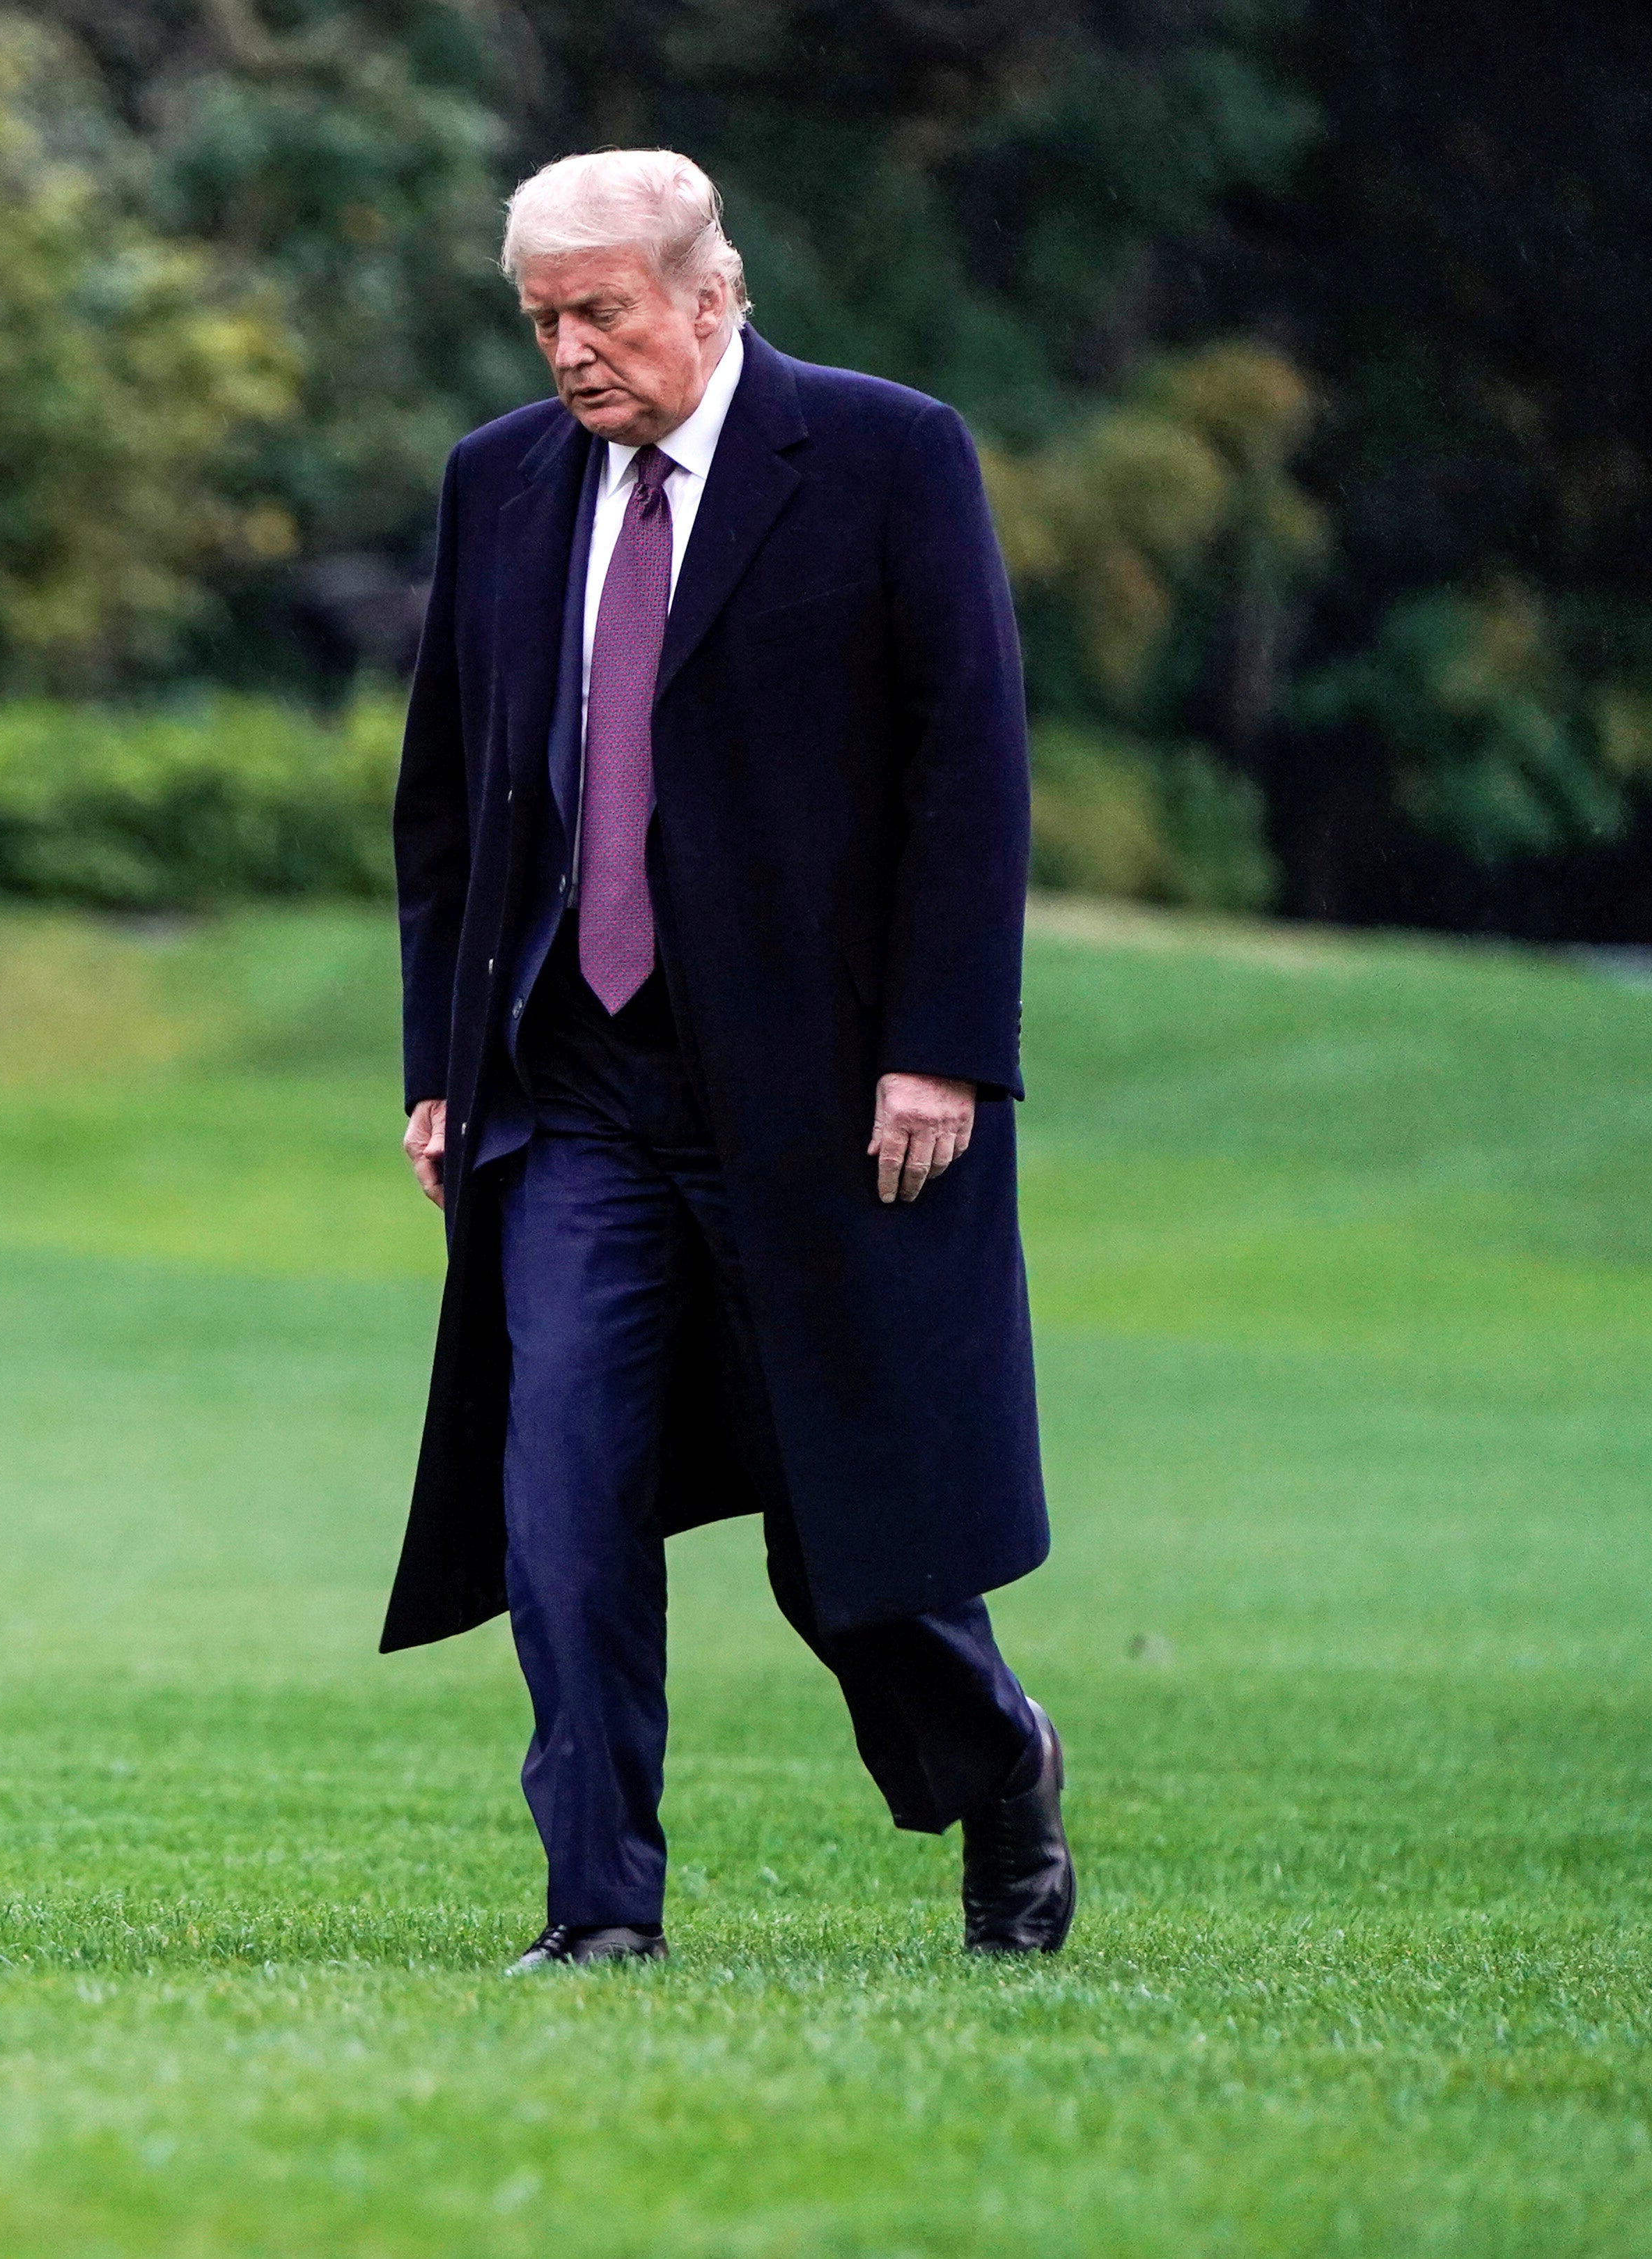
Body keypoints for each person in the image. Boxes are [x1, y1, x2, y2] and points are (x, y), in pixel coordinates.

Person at [384, 148, 1074, 1970]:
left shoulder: (880, 455)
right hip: (575, 1085)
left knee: (854, 1540)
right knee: (562, 1492)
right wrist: (441, 1060)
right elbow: (449, 797)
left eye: (595, 311)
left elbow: (966, 765)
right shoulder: (501, 486)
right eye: (539, 318)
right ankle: (598, 1902)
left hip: (821, 1098)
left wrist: (938, 1047)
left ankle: (998, 1763)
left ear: (708, 293)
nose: (566, 353)